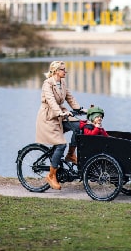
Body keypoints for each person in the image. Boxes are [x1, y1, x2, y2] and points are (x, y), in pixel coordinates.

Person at [35, 61, 84, 190]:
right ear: (56, 71)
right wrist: (60, 113)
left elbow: (70, 98)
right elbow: (51, 101)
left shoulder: (62, 82)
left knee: (80, 127)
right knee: (61, 144)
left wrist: (79, 109)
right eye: (63, 69)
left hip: (61, 114)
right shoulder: (47, 84)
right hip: (49, 117)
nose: (65, 71)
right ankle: (51, 175)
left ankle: (71, 155)